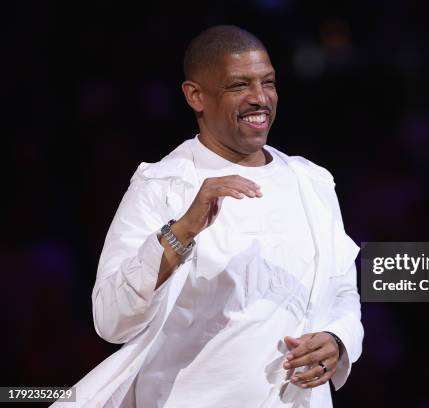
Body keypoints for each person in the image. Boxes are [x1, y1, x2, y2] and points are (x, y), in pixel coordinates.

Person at [54, 25, 363, 408]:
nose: (260, 98)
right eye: (239, 86)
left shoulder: (312, 181)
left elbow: (343, 291)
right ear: (195, 95)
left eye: (268, 82)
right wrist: (182, 230)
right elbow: (111, 320)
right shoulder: (161, 185)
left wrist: (337, 339)